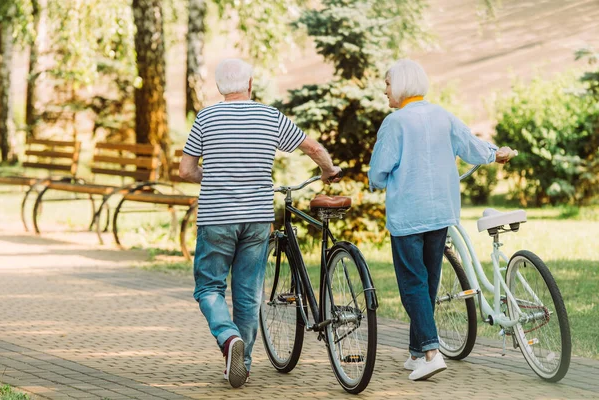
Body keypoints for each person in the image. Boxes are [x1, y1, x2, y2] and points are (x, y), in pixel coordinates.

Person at [179, 58, 342, 389]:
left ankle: (228, 339)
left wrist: (208, 177)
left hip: (216, 218)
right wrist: (327, 170)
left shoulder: (206, 118)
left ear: (219, 87)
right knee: (248, 291)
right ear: (250, 84)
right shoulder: (269, 116)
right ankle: (245, 363)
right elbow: (310, 146)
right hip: (256, 218)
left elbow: (186, 170)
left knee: (209, 287)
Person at [368, 59, 515, 381]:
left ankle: (432, 352)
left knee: (412, 284)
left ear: (402, 85)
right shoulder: (443, 116)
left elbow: (379, 170)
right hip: (441, 212)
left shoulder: (395, 122)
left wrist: (375, 182)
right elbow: (473, 147)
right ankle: (416, 351)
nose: (385, 90)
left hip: (409, 214)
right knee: (428, 281)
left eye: (388, 84)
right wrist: (496, 153)